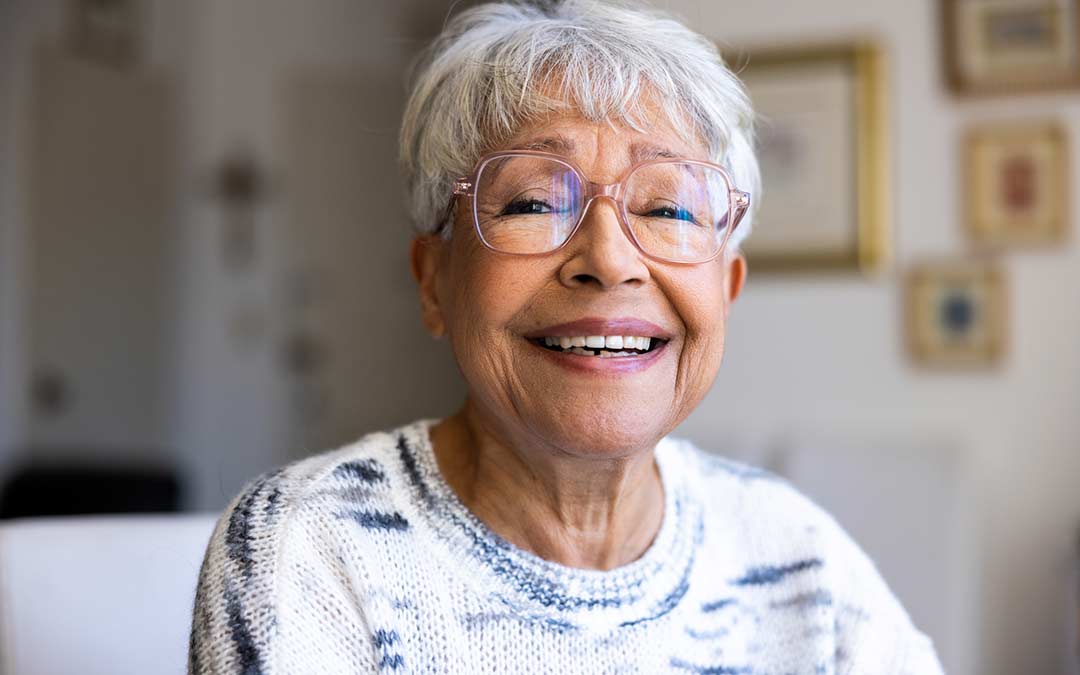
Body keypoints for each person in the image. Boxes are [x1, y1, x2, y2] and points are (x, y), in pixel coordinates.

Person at [188, 1, 944, 673]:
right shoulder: (309, 551)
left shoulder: (797, 560)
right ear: (434, 281)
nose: (610, 259)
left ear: (728, 290)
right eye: (533, 201)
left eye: (669, 210)